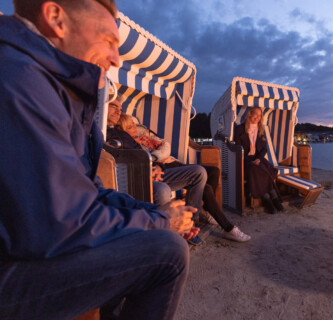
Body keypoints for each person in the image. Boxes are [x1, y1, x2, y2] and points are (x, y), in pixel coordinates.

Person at [0, 1, 191, 319]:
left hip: (27, 246)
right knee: (166, 254)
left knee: (152, 230)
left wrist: (152, 213)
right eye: (109, 41)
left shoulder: (58, 92)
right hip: (11, 266)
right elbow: (59, 224)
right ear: (56, 18)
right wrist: (159, 222)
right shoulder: (17, 79)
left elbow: (89, 192)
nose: (116, 58)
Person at [117, 113, 251, 242]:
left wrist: (161, 154)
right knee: (206, 188)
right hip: (166, 168)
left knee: (214, 171)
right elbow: (149, 160)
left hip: (173, 163)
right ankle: (222, 226)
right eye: (130, 127)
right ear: (122, 131)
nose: (135, 127)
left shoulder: (145, 138)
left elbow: (164, 146)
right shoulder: (132, 144)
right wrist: (159, 161)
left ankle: (206, 210)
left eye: (134, 124)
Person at [234, 107, 284, 214]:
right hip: (245, 160)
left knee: (264, 168)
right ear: (249, 114)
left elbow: (264, 148)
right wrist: (249, 160)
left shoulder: (260, 129)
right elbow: (238, 149)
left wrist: (258, 159)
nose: (258, 117)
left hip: (258, 158)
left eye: (260, 115)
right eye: (256, 114)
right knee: (254, 170)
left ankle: (273, 197)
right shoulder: (239, 129)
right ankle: (268, 198)